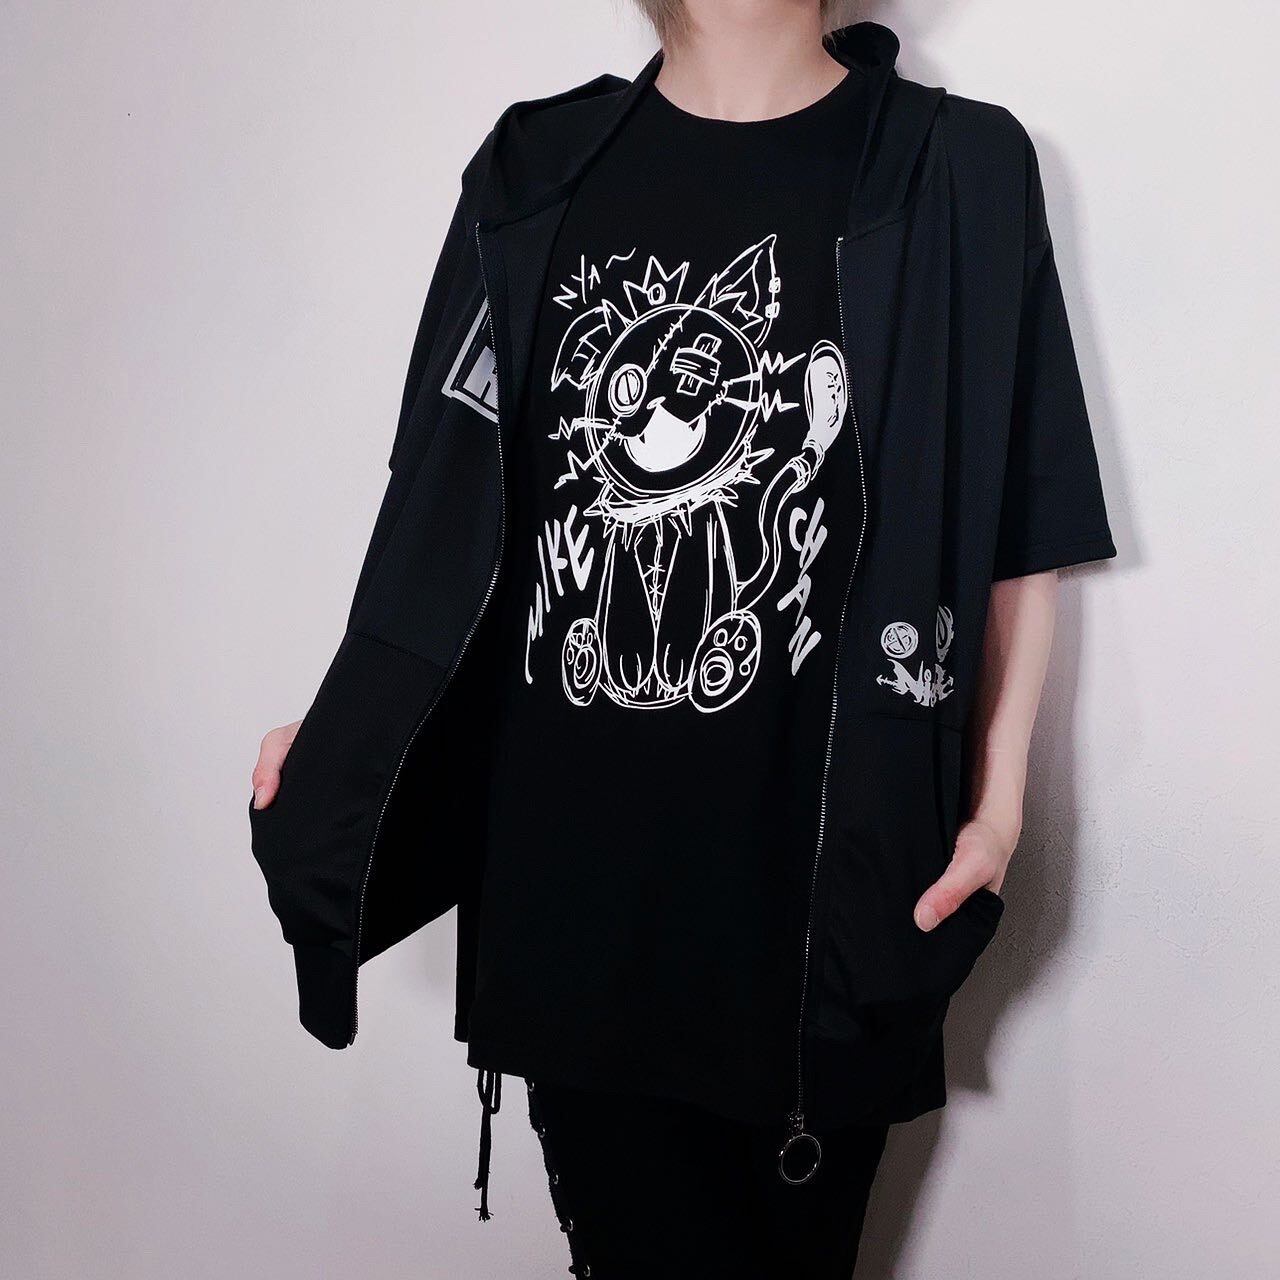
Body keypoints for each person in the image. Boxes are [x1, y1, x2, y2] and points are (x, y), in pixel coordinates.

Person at [248, 3, 1115, 1275]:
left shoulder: (954, 168)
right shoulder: (534, 169)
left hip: (823, 914)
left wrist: (996, 810)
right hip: (572, 900)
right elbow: (445, 497)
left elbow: (1018, 518)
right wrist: (356, 731)